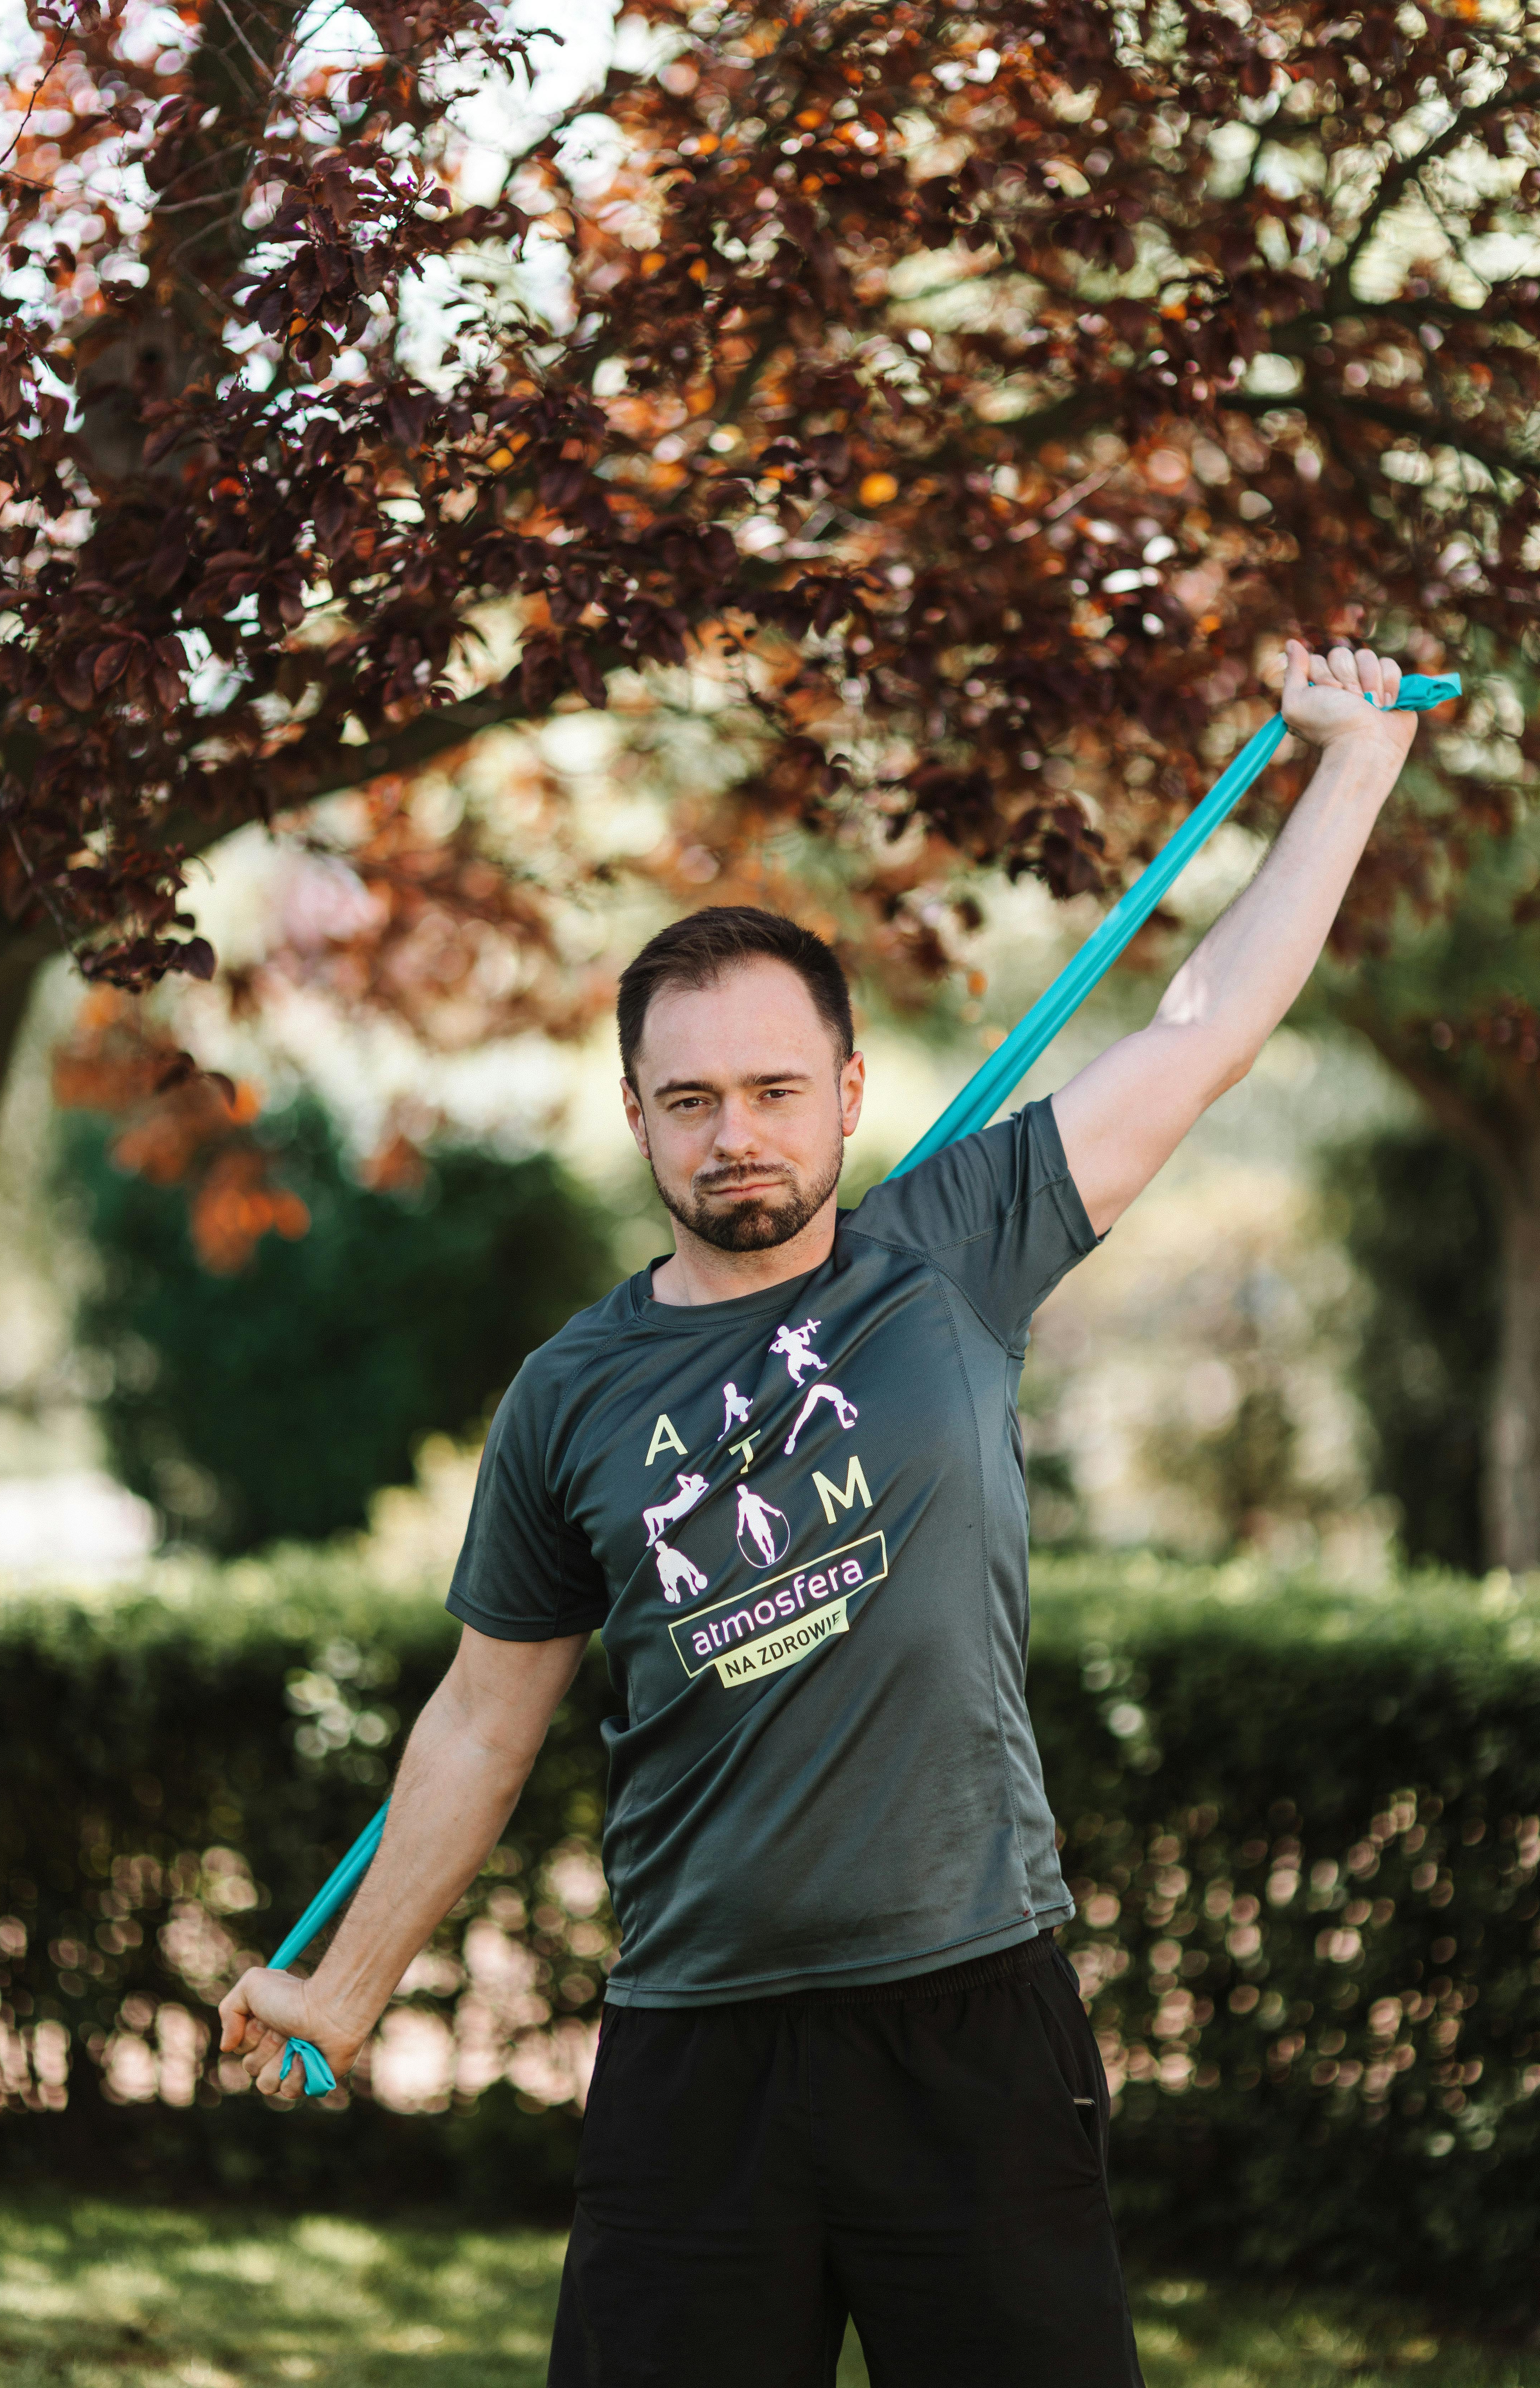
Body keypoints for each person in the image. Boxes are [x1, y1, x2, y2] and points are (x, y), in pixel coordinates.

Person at [221, 642, 1420, 2385]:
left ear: (849, 1094)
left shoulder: (950, 1250)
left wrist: (1353, 764)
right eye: (691, 1101)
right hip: (698, 2053)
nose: (736, 1138)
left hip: (972, 2017)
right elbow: (483, 1720)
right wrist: (348, 1985)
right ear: (634, 1116)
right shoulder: (571, 1395)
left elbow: (1205, 1021)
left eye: (776, 1091)